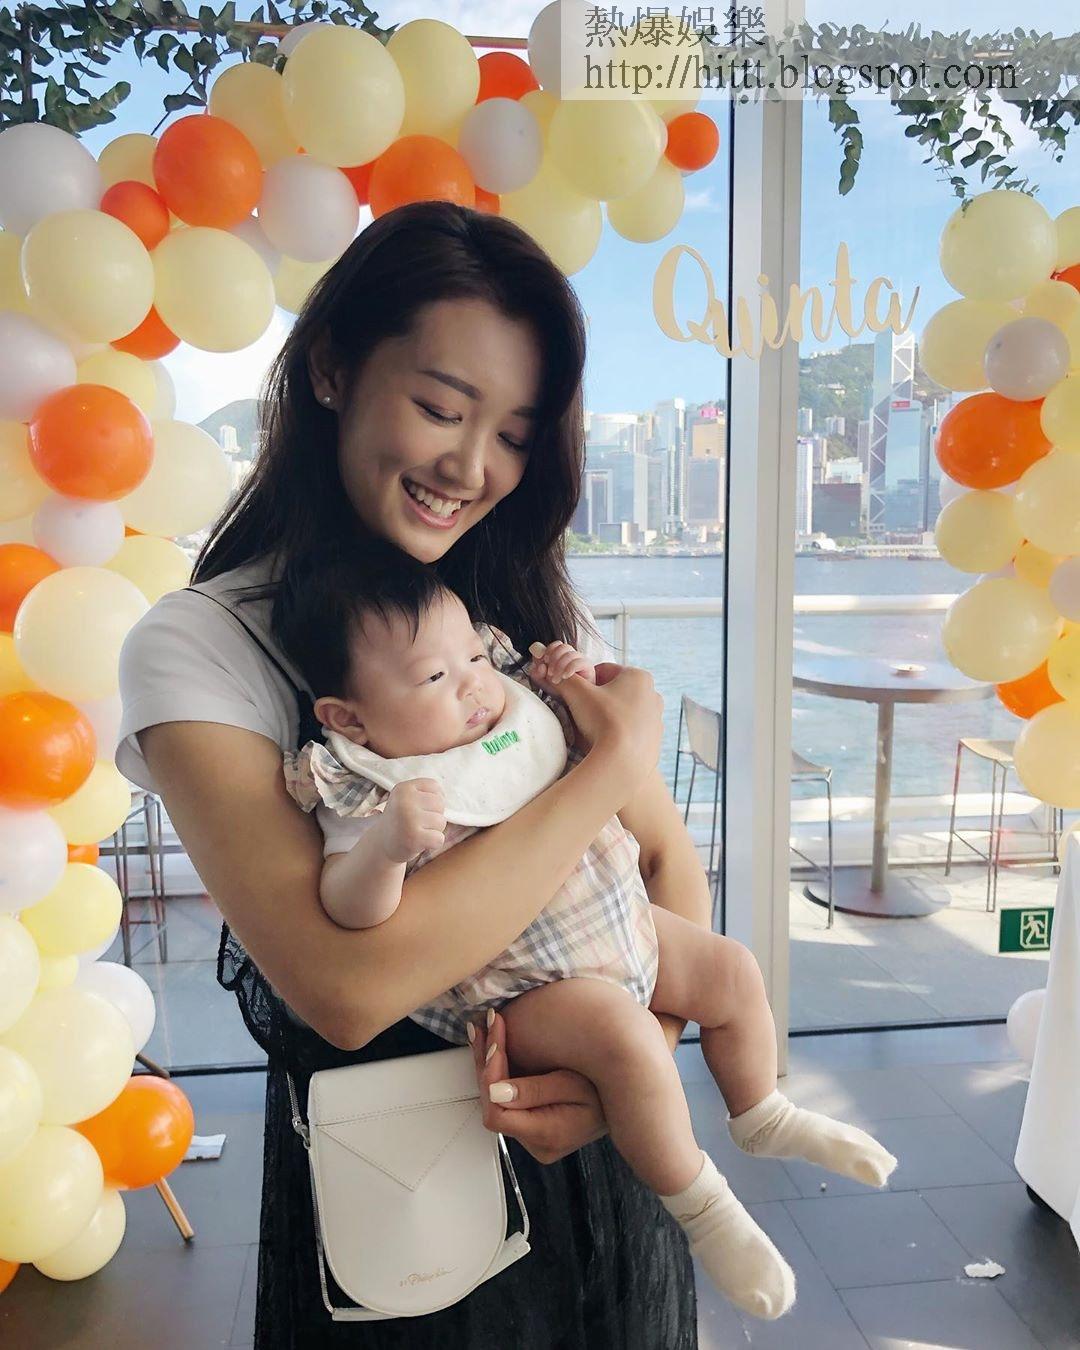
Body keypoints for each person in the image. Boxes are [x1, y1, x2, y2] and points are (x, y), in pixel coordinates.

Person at [116, 200, 702, 1348]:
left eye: (515, 434)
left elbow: (667, 865)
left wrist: (633, 1070)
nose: (472, 467)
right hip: (403, 1208)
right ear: (333, 369)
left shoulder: (521, 614)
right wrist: (607, 767)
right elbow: (348, 989)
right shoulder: (203, 646)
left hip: (606, 1174)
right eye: (441, 407)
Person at [273, 544, 898, 1322]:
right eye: (434, 677)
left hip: (618, 920)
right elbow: (346, 907)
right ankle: (706, 1208)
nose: (473, 683)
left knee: (733, 970)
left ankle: (761, 1111)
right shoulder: (366, 790)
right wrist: (389, 850)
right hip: (526, 985)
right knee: (621, 1033)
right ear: (349, 719)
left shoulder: (517, 708)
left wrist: (571, 686)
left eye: (475, 656)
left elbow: (640, 808)